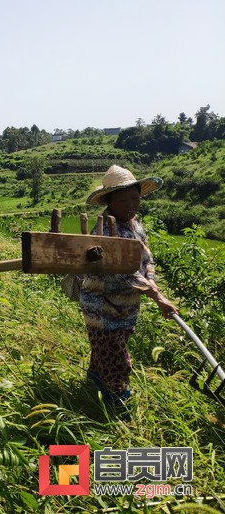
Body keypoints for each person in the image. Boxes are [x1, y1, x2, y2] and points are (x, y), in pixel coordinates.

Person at [78, 165, 179, 418]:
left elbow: (146, 261)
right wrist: (157, 296)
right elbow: (124, 271)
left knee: (106, 352)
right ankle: (119, 410)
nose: (130, 204)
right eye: (123, 200)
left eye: (135, 198)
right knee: (119, 361)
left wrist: (153, 284)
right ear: (109, 201)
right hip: (101, 308)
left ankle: (93, 385)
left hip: (125, 307)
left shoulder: (135, 225)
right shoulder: (106, 230)